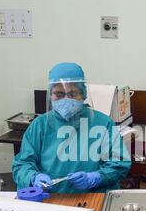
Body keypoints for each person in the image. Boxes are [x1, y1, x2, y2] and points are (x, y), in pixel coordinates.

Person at [12, 62, 131, 193]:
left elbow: (119, 163)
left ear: (83, 94)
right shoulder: (40, 125)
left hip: (92, 197)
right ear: (50, 95)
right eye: (59, 94)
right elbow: (22, 164)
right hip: (50, 197)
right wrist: (33, 177)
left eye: (72, 94)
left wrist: (96, 178)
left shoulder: (103, 123)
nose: (66, 100)